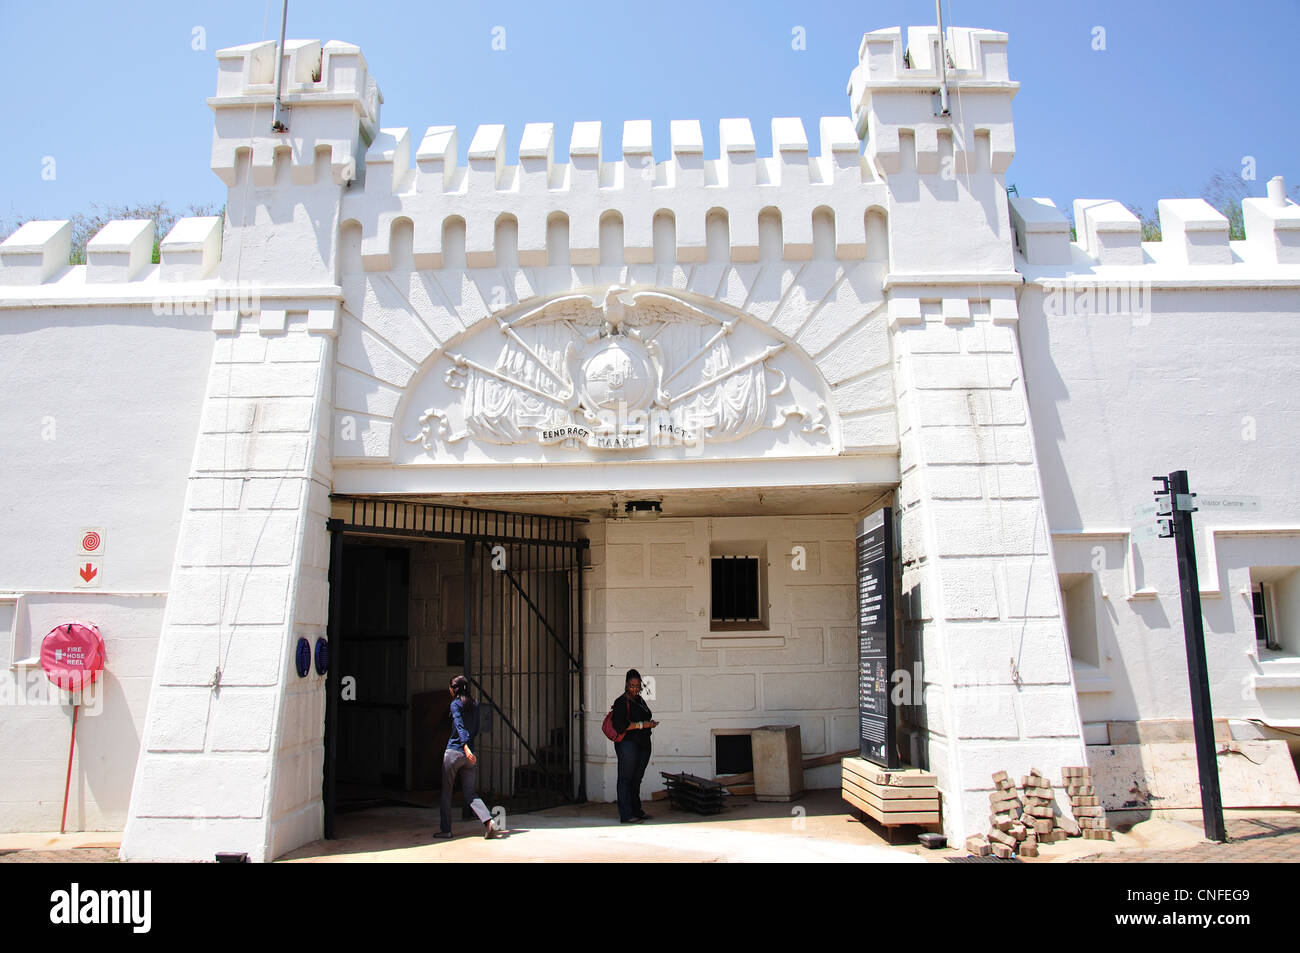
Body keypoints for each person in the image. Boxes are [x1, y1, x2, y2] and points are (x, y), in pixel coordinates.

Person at [437, 675, 498, 839]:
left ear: (454, 689)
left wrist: (463, 745)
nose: (449, 690)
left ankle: (446, 830)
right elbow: (476, 727)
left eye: (450, 687)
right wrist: (469, 747)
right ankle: (489, 822)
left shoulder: (455, 704)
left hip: (454, 752)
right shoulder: (475, 704)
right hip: (469, 755)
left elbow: (459, 723)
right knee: (470, 793)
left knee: (446, 793)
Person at [610, 668, 658, 823]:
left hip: (643, 743)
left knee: (637, 778)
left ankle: (637, 811)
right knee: (626, 778)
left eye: (637, 686)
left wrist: (648, 724)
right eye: (632, 686)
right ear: (626, 684)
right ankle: (626, 814)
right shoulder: (621, 702)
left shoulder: (640, 700)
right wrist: (641, 725)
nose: (635, 689)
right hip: (628, 745)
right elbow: (620, 726)